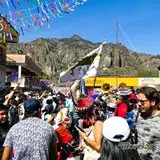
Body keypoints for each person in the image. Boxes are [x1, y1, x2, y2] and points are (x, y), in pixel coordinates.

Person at [136, 86, 160, 160]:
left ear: (153, 102)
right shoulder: (137, 115)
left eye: (142, 101)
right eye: (138, 101)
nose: (139, 104)